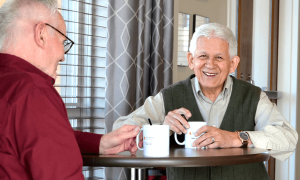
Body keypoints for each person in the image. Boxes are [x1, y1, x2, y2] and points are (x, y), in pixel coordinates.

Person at [113, 23, 298, 179]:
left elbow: (289, 138)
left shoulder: (254, 96)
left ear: (233, 63)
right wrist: (161, 128)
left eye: (219, 57)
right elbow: (119, 132)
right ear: (191, 60)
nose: (210, 65)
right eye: (203, 56)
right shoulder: (168, 96)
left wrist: (237, 137)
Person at [0, 0, 141, 179]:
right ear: (41, 34)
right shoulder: (32, 93)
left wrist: (100, 143)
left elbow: (34, 138)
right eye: (63, 41)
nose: (63, 57)